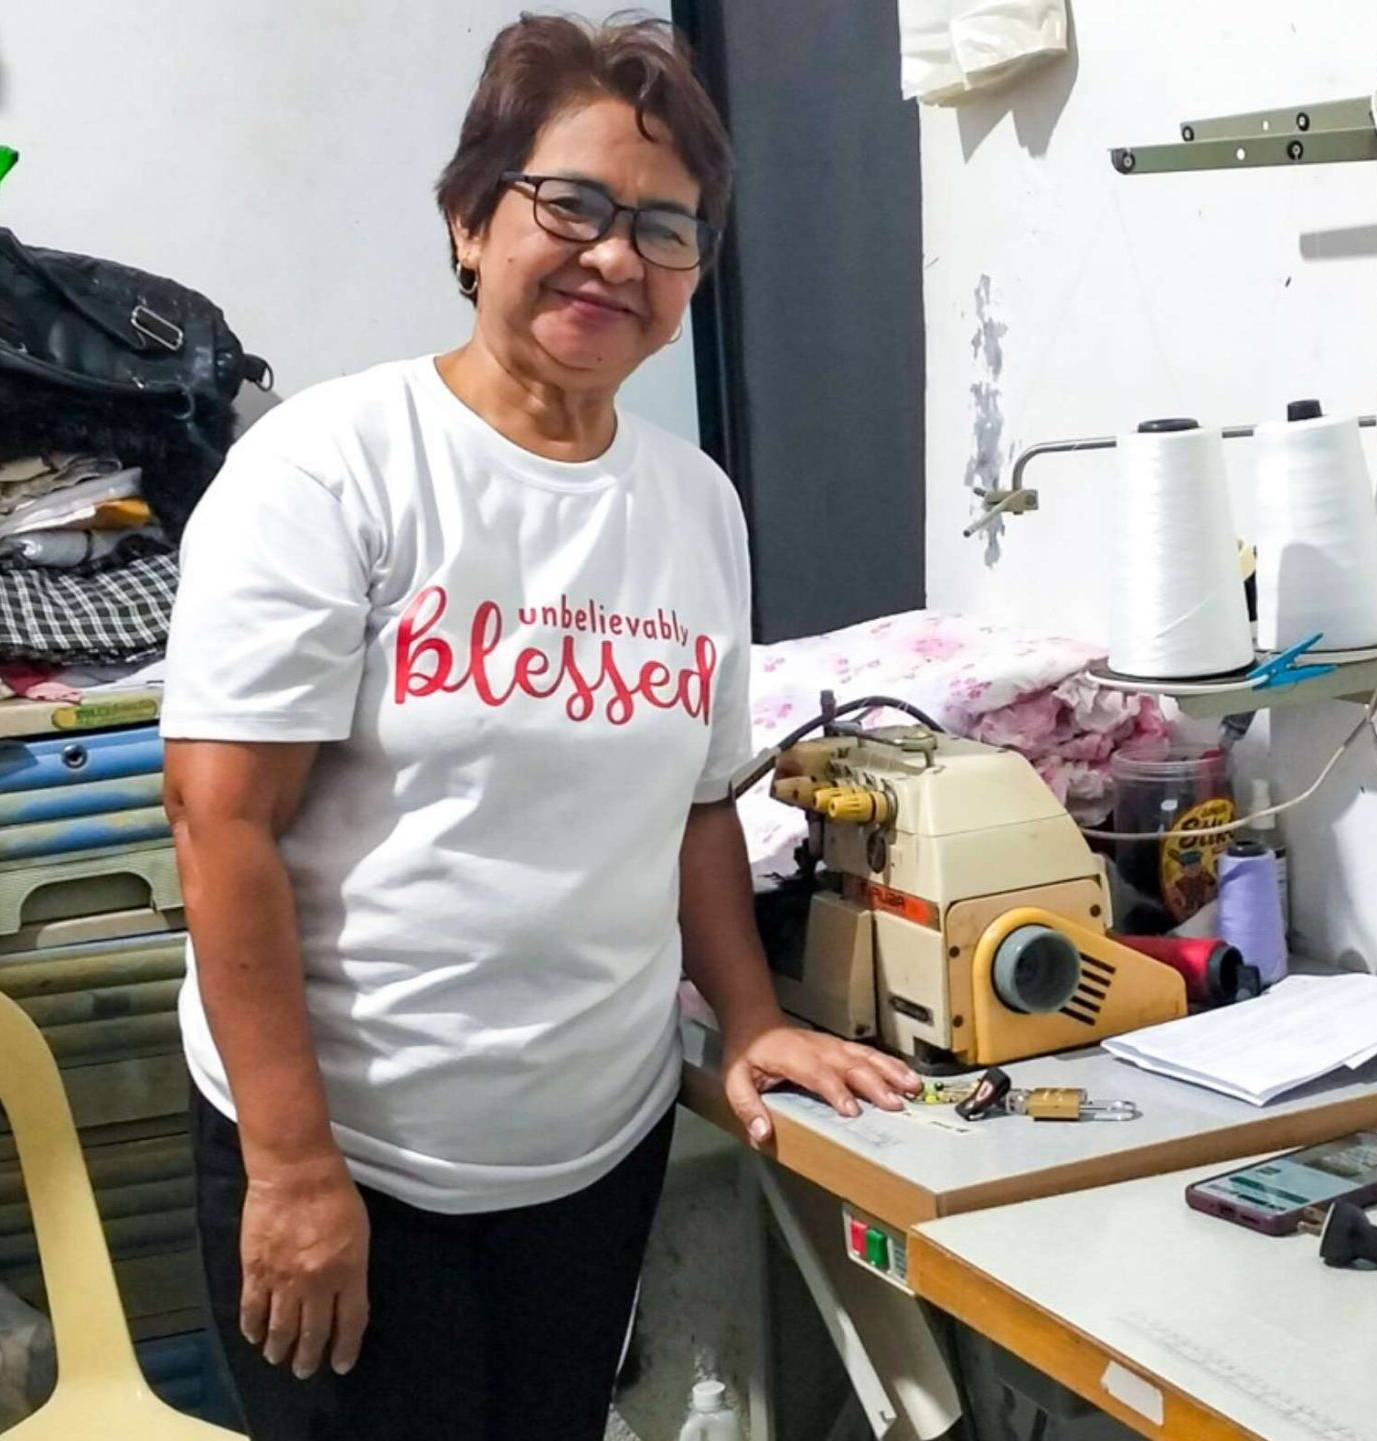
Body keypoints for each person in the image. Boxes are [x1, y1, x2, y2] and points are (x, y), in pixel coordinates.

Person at [160, 15, 920, 1438]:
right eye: (569, 204)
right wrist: (292, 1165)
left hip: (587, 1150)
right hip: (355, 1159)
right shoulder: (332, 467)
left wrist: (749, 1019)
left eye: (665, 228)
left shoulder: (692, 503)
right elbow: (220, 820)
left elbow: (696, 804)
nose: (615, 256)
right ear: (468, 220)